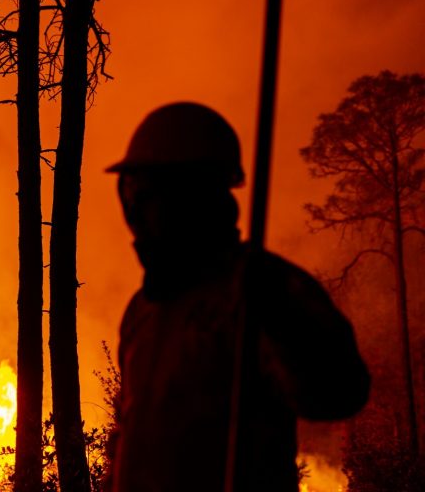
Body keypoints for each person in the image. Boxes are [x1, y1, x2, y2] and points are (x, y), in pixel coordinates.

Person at [106, 102, 369, 492]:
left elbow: (338, 394)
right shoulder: (144, 309)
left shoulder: (263, 288)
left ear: (196, 193)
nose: (134, 208)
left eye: (148, 193)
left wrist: (281, 317)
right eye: (130, 191)